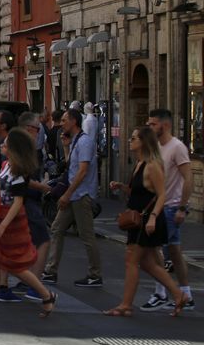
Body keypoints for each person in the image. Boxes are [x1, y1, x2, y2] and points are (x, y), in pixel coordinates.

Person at [0, 128, 57, 318]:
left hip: (10, 221)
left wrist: (2, 226)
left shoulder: (18, 172)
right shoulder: (7, 165)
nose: (2, 146)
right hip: (0, 217)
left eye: (6, 145)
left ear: (14, 149)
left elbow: (18, 202)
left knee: (13, 265)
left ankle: (46, 295)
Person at [105, 126, 188, 317]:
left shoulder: (152, 165)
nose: (130, 141)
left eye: (134, 138)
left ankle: (125, 305)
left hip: (147, 221)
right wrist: (122, 187)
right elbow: (141, 192)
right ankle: (179, 295)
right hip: (140, 219)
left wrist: (152, 218)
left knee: (131, 261)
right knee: (148, 264)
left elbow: (161, 195)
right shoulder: (140, 164)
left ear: (143, 142)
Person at [141, 109, 195, 312]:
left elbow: (188, 177)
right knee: (174, 251)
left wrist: (182, 207)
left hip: (171, 207)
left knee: (155, 250)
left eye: (153, 124)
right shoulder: (155, 147)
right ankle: (187, 293)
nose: (150, 127)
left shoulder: (177, 147)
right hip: (161, 206)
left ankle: (161, 293)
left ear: (165, 125)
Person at [42, 108, 103, 287]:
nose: (61, 124)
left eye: (64, 120)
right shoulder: (76, 141)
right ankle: (50, 271)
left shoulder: (85, 142)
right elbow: (72, 168)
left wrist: (67, 194)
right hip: (73, 195)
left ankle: (95, 274)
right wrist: (67, 147)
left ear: (74, 122)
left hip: (81, 195)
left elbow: (82, 171)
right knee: (56, 228)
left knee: (87, 235)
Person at [15, 112, 52, 301]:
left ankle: (22, 281)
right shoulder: (25, 146)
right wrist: (42, 186)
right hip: (28, 199)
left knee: (24, 243)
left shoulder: (17, 144)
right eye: (38, 129)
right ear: (29, 129)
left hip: (22, 199)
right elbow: (22, 176)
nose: (39, 133)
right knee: (43, 241)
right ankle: (35, 286)